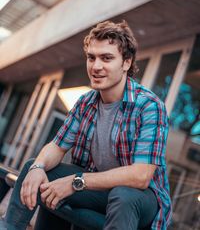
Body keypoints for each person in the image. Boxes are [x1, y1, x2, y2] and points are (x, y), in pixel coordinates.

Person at [0, 20, 172, 230]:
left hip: (139, 200)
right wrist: (37, 167)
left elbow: (140, 176)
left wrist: (76, 181)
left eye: (107, 58)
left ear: (126, 62)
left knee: (124, 195)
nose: (96, 66)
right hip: (96, 190)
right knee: (34, 167)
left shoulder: (149, 106)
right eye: (92, 58)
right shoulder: (86, 102)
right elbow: (56, 146)